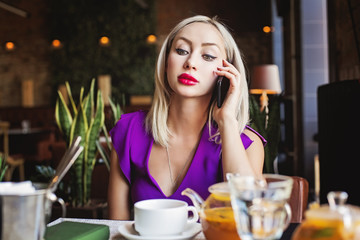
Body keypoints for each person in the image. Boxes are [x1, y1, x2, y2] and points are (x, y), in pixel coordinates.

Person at [108, 15, 266, 220]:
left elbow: (249, 218)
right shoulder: (128, 130)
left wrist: (227, 120)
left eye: (208, 56)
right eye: (181, 51)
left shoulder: (248, 144)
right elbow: (116, 227)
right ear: (166, 62)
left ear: (227, 72)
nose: (190, 62)